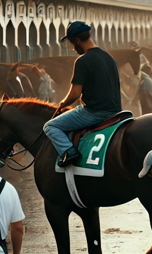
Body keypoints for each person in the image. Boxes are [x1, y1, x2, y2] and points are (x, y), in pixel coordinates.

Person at [43, 21, 121, 167]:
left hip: (94, 113)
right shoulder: (109, 58)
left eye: (72, 44)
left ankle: (68, 151)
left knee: (50, 126)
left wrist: (62, 104)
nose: (73, 49)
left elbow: (74, 94)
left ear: (78, 41)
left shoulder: (83, 61)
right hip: (116, 111)